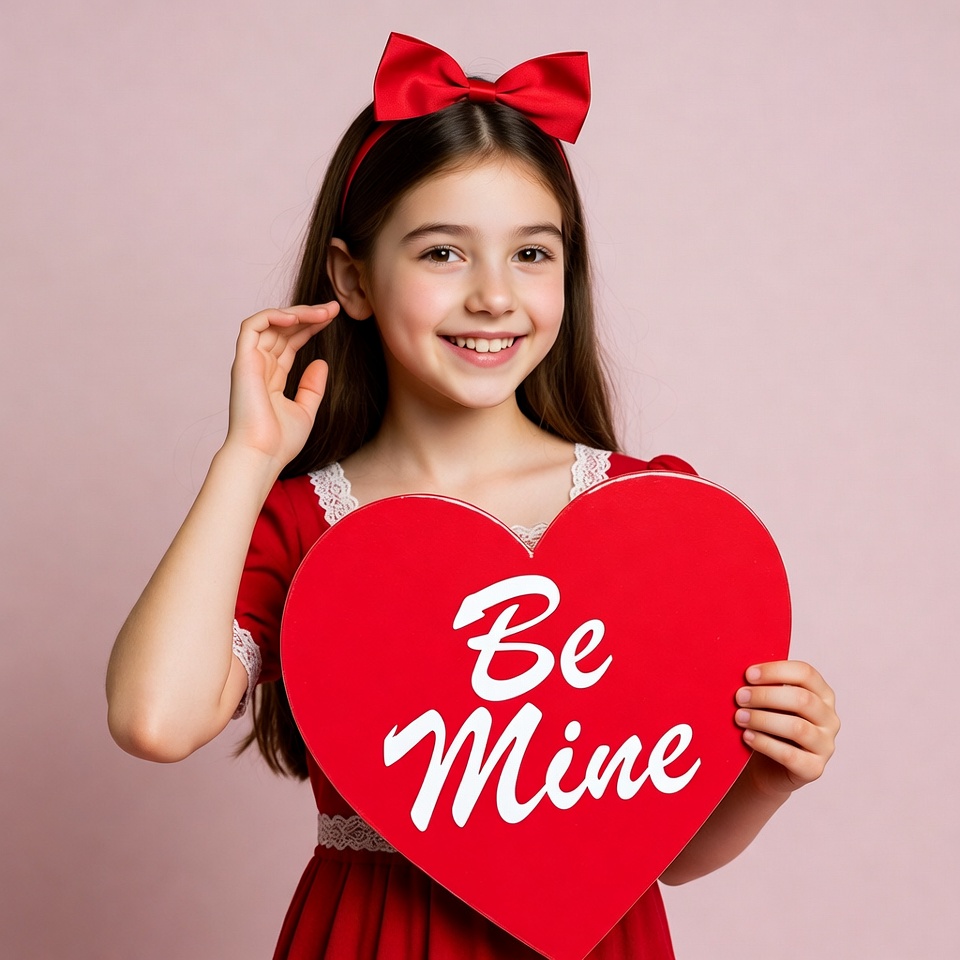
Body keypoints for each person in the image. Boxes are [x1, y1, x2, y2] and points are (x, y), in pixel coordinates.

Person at [106, 32, 839, 960]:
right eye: (444, 252)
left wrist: (768, 778)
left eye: (532, 254)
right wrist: (248, 458)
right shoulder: (297, 522)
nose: (495, 296)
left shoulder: (651, 514)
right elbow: (153, 719)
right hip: (371, 937)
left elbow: (668, 856)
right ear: (352, 279)